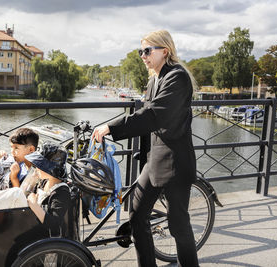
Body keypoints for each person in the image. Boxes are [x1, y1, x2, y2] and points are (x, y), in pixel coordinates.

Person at [92, 30, 199, 267]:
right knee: (138, 216)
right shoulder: (154, 79)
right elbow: (146, 122)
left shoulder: (177, 77)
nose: (143, 56)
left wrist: (112, 126)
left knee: (178, 225)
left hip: (175, 163)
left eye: (147, 50)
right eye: (141, 51)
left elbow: (153, 116)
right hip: (154, 161)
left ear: (165, 51)